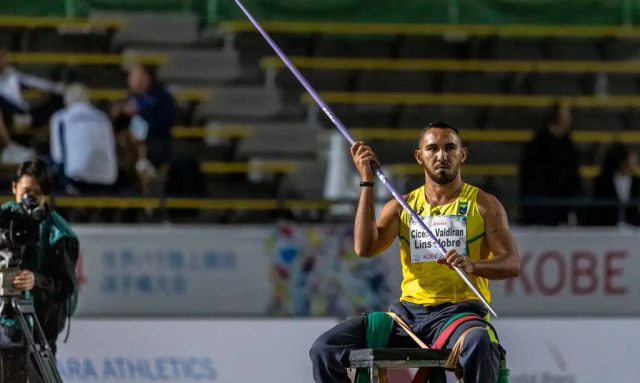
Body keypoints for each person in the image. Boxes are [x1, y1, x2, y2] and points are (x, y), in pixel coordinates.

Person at [309, 122, 520, 383]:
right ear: (420, 157)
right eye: (432, 148)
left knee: (479, 342)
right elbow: (364, 248)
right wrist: (367, 181)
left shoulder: (484, 204)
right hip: (407, 317)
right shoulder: (402, 206)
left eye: (449, 148)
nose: (441, 155)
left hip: (457, 315)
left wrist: (473, 265)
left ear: (462, 154)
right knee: (325, 348)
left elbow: (511, 263)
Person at [0, 159, 79, 355]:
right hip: (4, 321)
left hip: (41, 328)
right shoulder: (3, 218)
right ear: (14, 187)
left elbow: (66, 286)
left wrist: (36, 281)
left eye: (37, 193)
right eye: (26, 191)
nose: (30, 198)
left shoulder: (58, 234)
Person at [518, 100, 582, 225]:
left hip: (563, 210)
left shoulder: (569, 145)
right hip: (541, 211)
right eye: (566, 112)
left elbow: (573, 180)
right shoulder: (538, 145)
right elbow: (532, 181)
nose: (570, 117)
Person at [111, 63, 175, 185]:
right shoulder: (129, 99)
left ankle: (147, 179)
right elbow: (118, 127)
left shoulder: (162, 98)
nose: (130, 79)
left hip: (156, 144)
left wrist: (141, 112)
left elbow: (164, 124)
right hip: (129, 146)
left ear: (146, 77)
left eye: (134, 75)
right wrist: (119, 114)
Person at [50, 83, 118, 195]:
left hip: (76, 179)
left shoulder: (60, 117)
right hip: (108, 178)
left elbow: (57, 156)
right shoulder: (103, 118)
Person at [589, 142, 640, 226]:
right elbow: (597, 208)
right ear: (623, 160)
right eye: (632, 157)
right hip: (607, 228)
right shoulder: (603, 181)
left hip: (633, 229)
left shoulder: (637, 182)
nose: (636, 160)